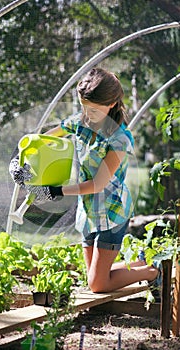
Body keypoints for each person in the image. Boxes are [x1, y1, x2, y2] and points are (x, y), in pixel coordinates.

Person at [9, 67, 159, 293]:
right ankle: (141, 261)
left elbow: (98, 184)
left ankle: (155, 271)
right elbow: (40, 141)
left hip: (111, 213)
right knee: (95, 278)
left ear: (111, 105)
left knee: (98, 284)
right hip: (88, 212)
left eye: (94, 109)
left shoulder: (119, 139)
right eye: (83, 107)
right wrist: (18, 163)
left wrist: (55, 191)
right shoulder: (78, 124)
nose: (87, 114)